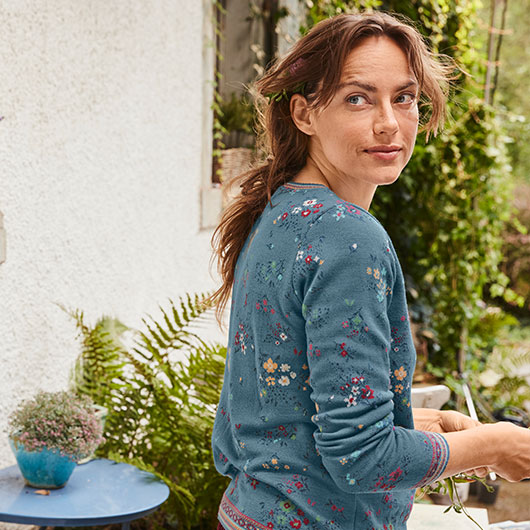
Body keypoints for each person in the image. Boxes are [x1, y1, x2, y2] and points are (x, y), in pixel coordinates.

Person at [208, 11, 530, 530]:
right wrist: (495, 443)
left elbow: (285, 409)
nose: (388, 122)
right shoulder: (348, 236)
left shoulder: (278, 213)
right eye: (357, 98)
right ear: (304, 113)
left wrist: (435, 425)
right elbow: (363, 459)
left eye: (403, 97)